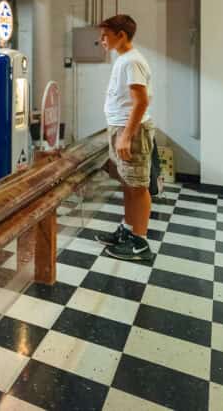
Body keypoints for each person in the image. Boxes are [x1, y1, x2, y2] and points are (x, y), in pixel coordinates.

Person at [94, 14, 155, 261]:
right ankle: (128, 231)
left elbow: (141, 101)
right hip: (120, 128)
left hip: (131, 130)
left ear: (121, 35)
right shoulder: (124, 60)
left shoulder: (131, 61)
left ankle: (140, 244)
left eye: (105, 36)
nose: (101, 41)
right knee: (129, 184)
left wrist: (126, 136)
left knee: (138, 187)